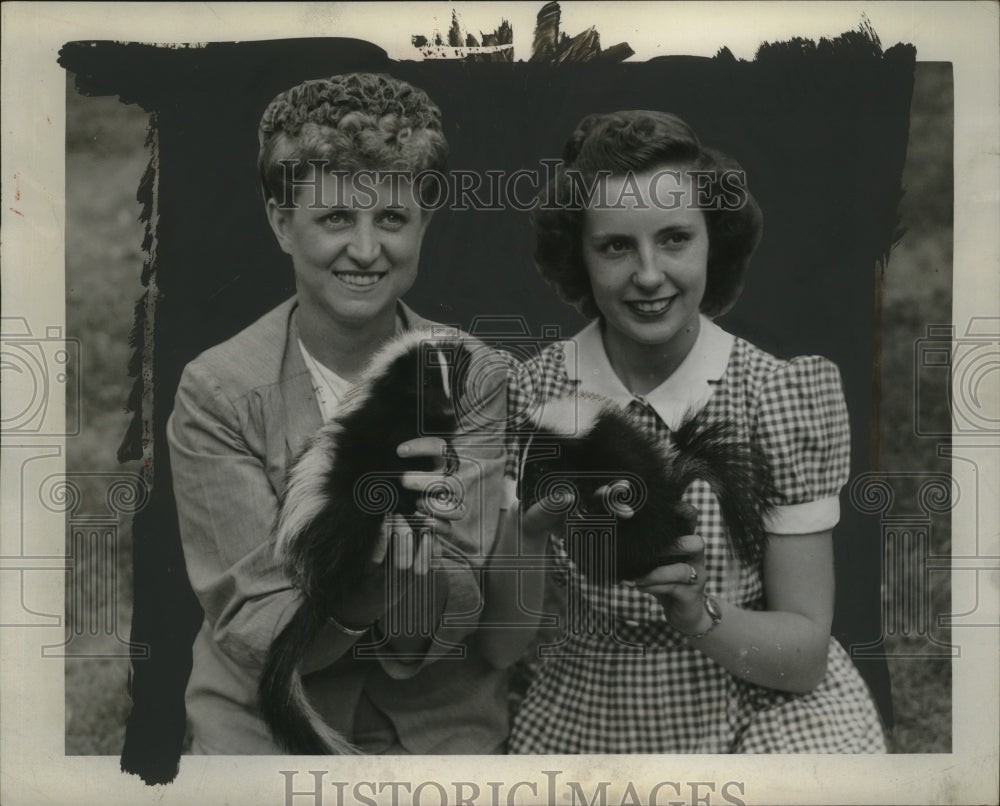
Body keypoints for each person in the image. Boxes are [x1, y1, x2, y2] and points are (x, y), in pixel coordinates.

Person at [506, 110, 888, 753]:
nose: (649, 275)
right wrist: (524, 537)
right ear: (580, 255)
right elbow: (504, 641)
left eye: (676, 238)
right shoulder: (533, 394)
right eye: (616, 246)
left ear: (716, 240)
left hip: (760, 699)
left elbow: (804, 654)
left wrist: (698, 614)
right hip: (593, 713)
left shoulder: (775, 395)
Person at [167, 73, 511, 754]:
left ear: (424, 220)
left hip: (430, 726)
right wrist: (364, 590)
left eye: (391, 218)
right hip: (264, 718)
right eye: (333, 219)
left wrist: (413, 584)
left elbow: (457, 604)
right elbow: (255, 620)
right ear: (280, 222)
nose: (364, 249)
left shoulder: (470, 372)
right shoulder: (218, 388)